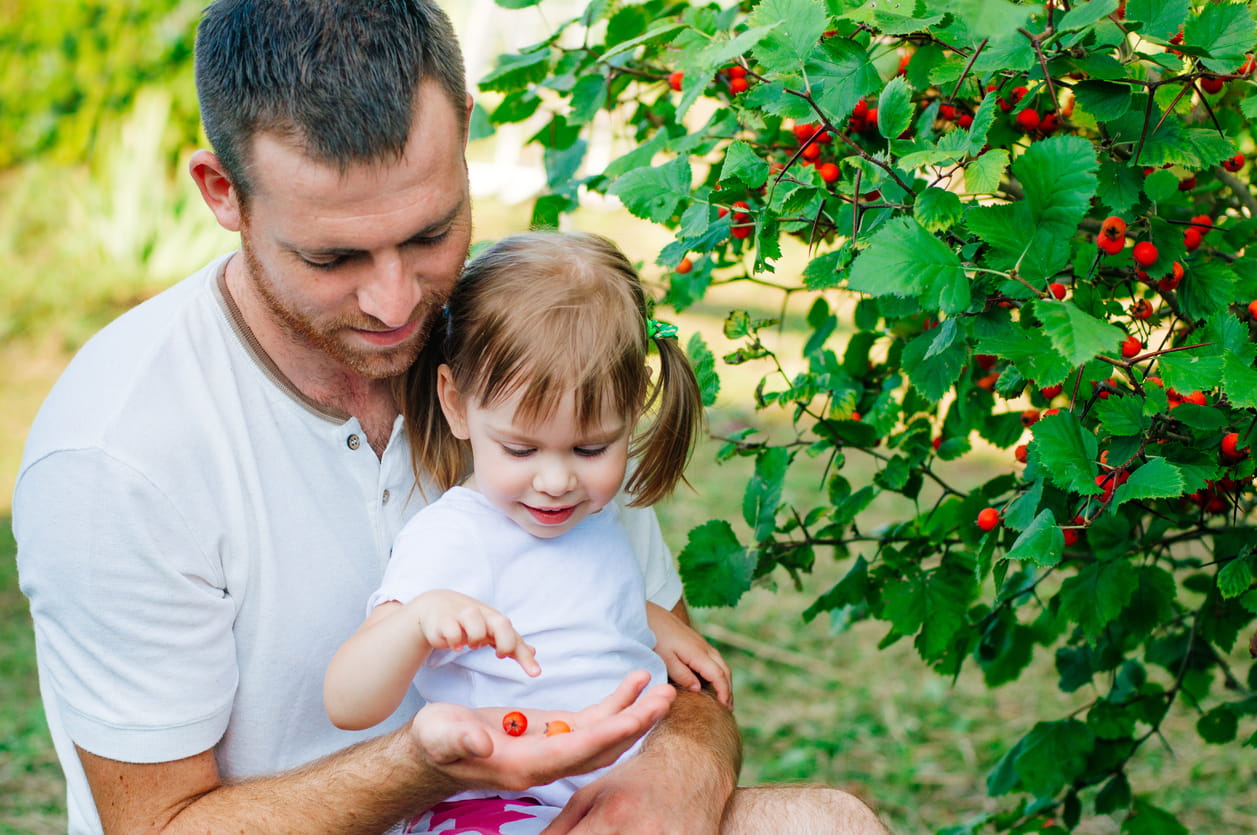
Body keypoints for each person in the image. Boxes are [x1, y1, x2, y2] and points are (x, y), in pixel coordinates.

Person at [13, 1, 890, 832]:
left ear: (464, 131)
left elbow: (669, 667)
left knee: (832, 822)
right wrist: (428, 765)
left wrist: (677, 769)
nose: (397, 303)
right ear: (222, 192)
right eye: (332, 255)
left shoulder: (523, 356)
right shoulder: (119, 456)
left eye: (431, 234)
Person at [325, 231, 733, 834]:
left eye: (591, 447)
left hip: (622, 789)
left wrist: (648, 618)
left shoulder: (602, 514)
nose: (555, 480)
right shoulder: (457, 537)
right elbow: (347, 700)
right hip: (496, 805)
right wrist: (415, 623)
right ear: (457, 405)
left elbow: (570, 601)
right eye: (520, 447)